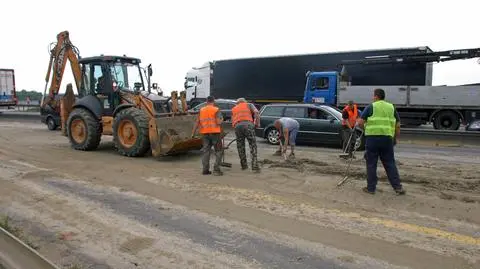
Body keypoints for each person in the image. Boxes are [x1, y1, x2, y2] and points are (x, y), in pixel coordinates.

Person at [358, 88, 406, 195]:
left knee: (371, 164)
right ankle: (398, 188)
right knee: (390, 163)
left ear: (376, 96)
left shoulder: (371, 107)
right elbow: (398, 125)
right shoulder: (391, 107)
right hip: (387, 139)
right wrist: (395, 138)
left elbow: (360, 122)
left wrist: (366, 129)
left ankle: (371, 189)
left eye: (373, 96)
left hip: (372, 139)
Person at [192, 95, 224, 176]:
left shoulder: (201, 110)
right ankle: (216, 170)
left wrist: (193, 133)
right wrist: (222, 119)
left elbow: (197, 122)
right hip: (215, 133)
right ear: (213, 101)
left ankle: (205, 170)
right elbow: (219, 122)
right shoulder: (216, 109)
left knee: (206, 151)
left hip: (205, 133)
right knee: (219, 151)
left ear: (206, 101)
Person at [231, 98, 260, 172]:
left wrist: (236, 127)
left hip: (237, 126)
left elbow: (232, 120)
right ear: (244, 101)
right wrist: (257, 123)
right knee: (252, 145)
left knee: (240, 146)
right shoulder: (249, 105)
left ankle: (244, 166)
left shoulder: (234, 108)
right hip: (248, 125)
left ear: (238, 103)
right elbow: (256, 112)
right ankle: (255, 167)